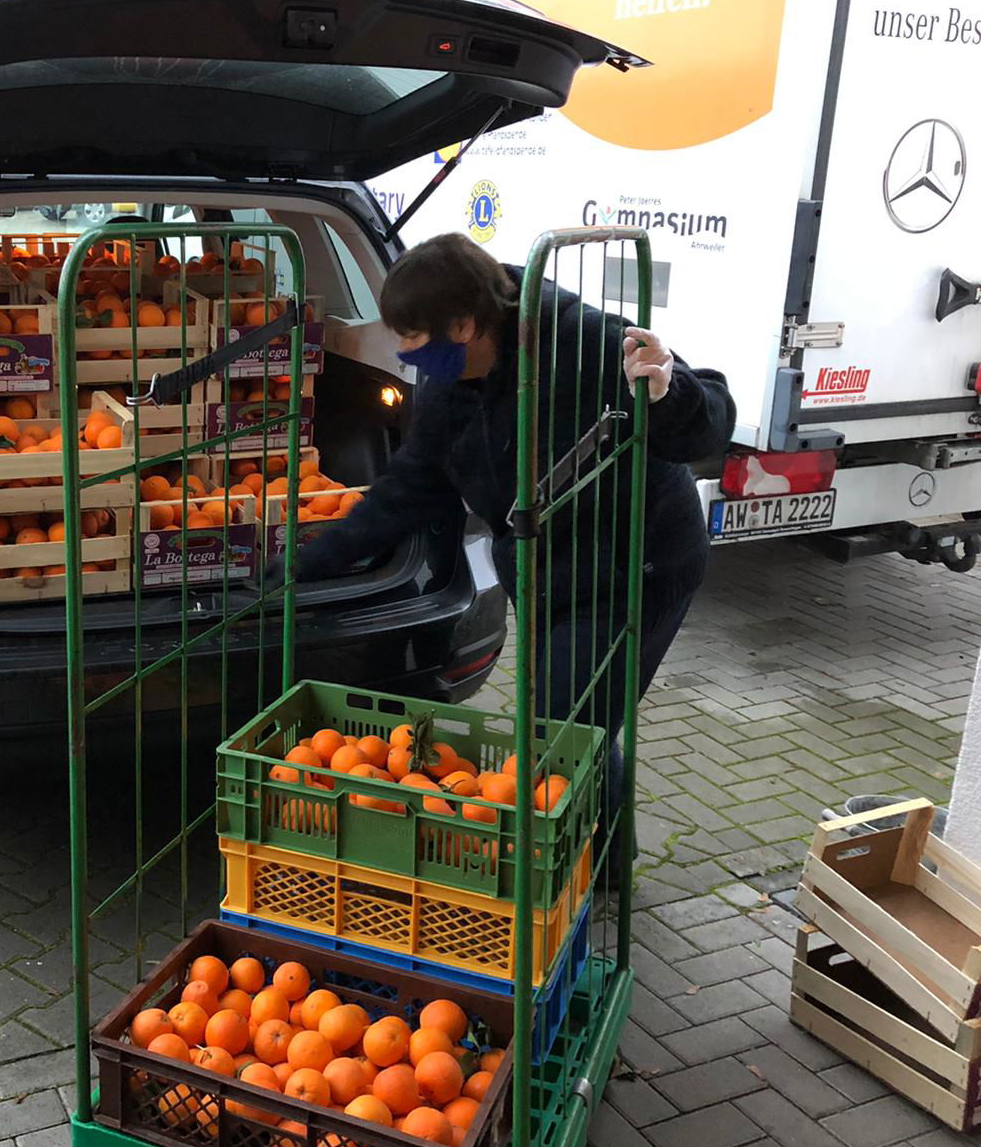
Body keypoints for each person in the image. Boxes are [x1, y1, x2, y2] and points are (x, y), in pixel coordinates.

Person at [294, 233, 735, 836]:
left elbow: (708, 421)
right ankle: (600, 863)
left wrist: (666, 392)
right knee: (574, 721)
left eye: (412, 337)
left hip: (635, 565)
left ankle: (576, 868)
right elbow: (412, 485)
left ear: (465, 325)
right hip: (546, 567)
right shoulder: (449, 385)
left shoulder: (586, 341)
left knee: (564, 726)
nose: (403, 352)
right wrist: (309, 564)